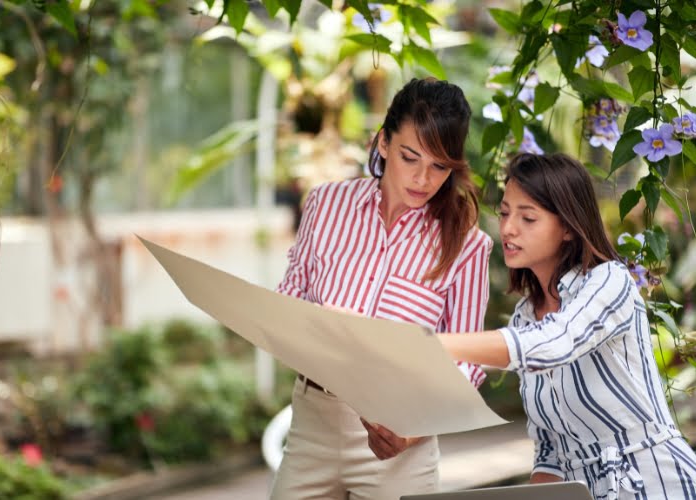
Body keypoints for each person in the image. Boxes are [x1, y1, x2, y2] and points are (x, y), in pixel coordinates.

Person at [270, 77, 493, 500]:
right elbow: (290, 298)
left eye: (440, 166)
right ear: (384, 142)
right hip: (312, 425)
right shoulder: (325, 205)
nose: (424, 179)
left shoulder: (465, 242)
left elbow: (469, 359)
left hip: (401, 441)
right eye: (410, 157)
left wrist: (413, 428)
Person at [433, 152, 696, 499]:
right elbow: (549, 451)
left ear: (569, 227)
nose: (509, 228)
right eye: (505, 213)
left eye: (528, 217)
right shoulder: (525, 317)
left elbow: (555, 343)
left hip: (655, 483)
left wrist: (433, 343)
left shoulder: (609, 281)